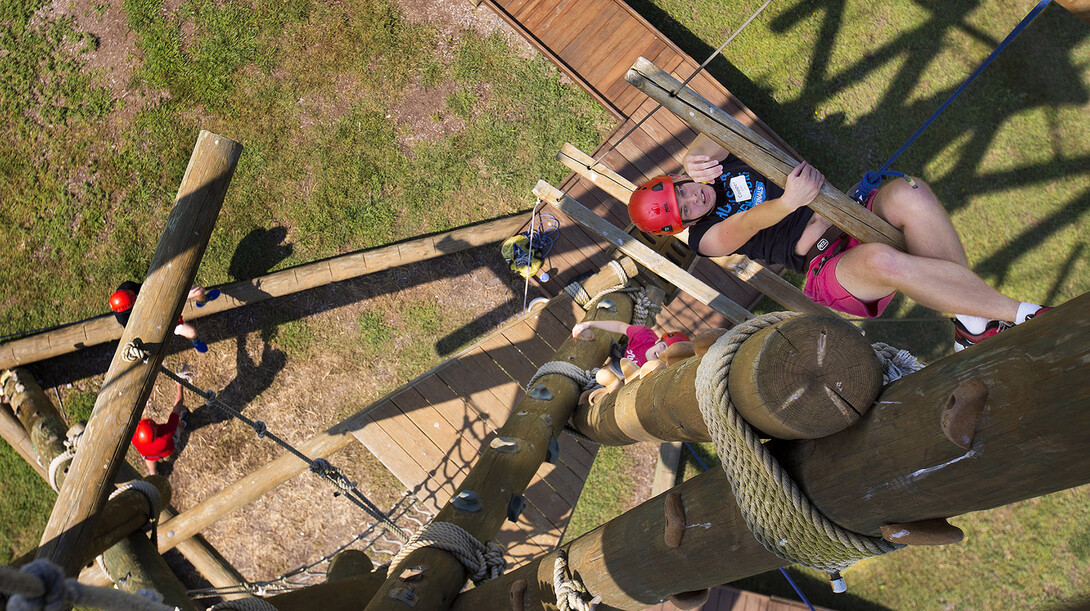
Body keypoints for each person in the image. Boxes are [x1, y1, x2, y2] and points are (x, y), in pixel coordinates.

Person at [628, 134, 1049, 351]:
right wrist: (790, 201)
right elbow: (748, 225)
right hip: (827, 265)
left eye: (679, 190)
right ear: (683, 226)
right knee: (885, 262)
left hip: (849, 213)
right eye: (684, 210)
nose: (692, 198)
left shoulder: (708, 170)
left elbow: (714, 127)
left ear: (676, 180)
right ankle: (1025, 314)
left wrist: (692, 154)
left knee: (909, 192)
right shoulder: (706, 240)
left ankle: (972, 323)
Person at [109, 281, 220, 353]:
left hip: (163, 296)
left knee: (199, 291)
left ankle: (203, 300)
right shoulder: (125, 318)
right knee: (192, 332)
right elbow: (138, 329)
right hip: (159, 317)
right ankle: (195, 340)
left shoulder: (127, 287)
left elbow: (148, 286)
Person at [132, 376, 190, 476]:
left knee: (149, 458)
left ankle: (153, 473)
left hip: (147, 454)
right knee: (178, 428)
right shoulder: (166, 434)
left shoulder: (134, 438)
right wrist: (179, 386)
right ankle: (184, 423)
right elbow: (177, 408)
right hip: (166, 450)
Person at [571, 320, 690, 366]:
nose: (662, 352)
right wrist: (589, 324)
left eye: (668, 353)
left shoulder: (661, 369)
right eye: (663, 346)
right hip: (620, 359)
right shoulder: (643, 335)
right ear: (658, 340)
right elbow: (620, 326)